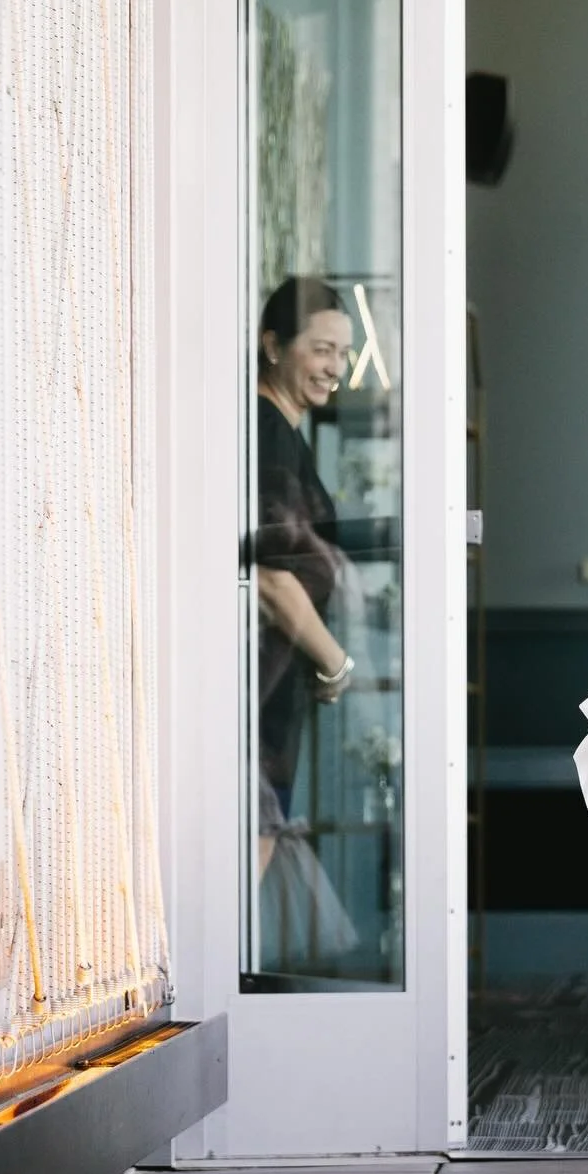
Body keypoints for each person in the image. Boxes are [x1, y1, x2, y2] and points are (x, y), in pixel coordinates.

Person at [253, 277, 356, 873]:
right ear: (273, 346)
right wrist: (334, 661)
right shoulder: (268, 435)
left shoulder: (285, 433)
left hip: (279, 701)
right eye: (321, 349)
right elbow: (270, 575)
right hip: (261, 703)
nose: (335, 367)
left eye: (342, 353)